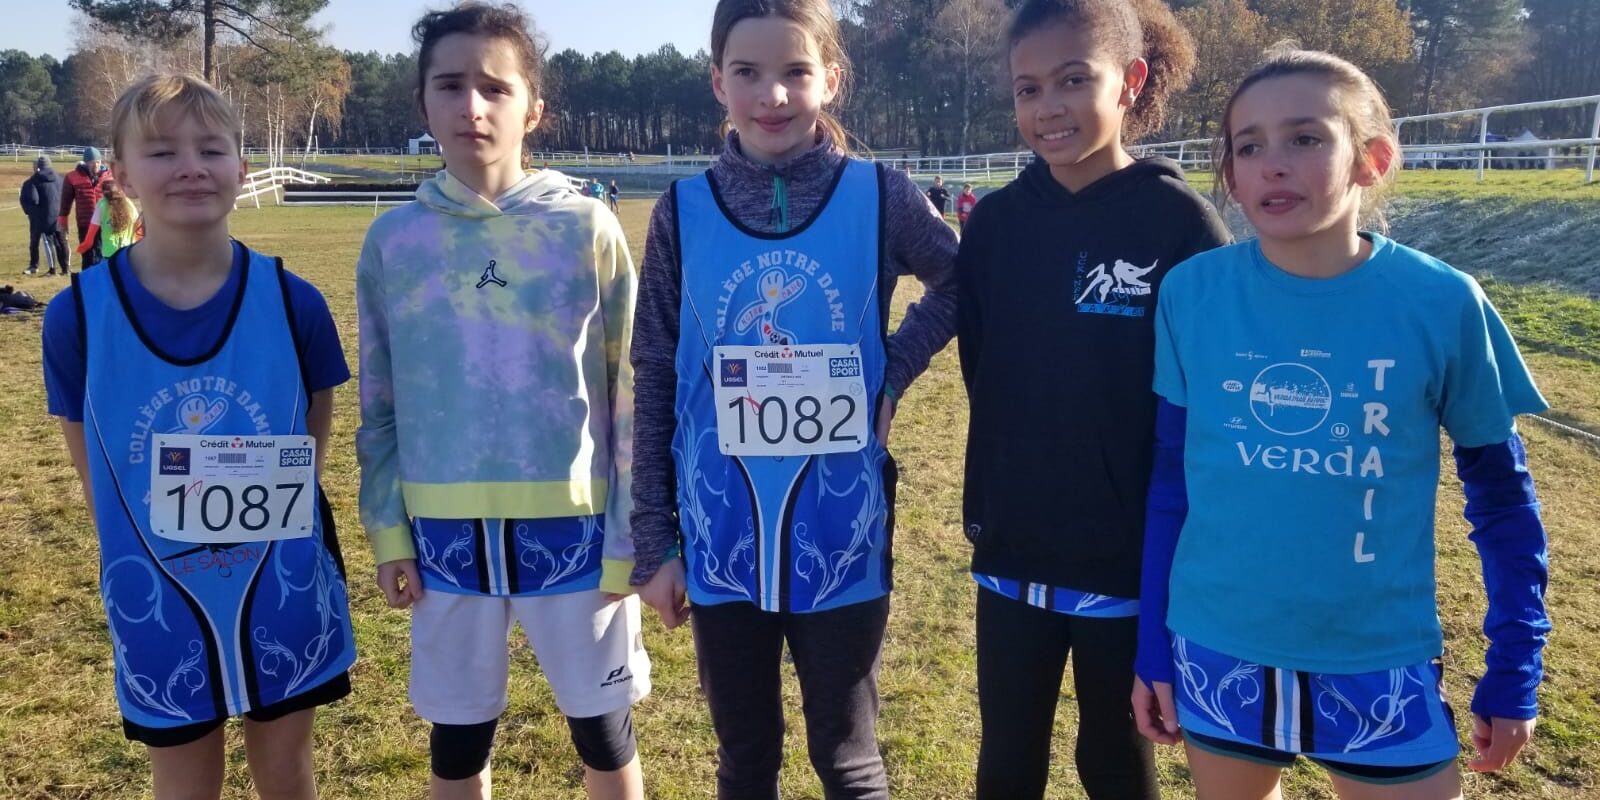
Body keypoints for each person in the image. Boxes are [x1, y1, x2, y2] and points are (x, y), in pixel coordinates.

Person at [1132, 47, 1551, 800]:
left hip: (1376, 661)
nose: (1271, 164)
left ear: (1372, 159)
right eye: (1248, 146)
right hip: (1216, 649)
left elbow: (1503, 503)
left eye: (1305, 138)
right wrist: (1154, 648)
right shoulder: (1191, 294)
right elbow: (1171, 487)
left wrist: (1516, 665)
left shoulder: (1442, 301)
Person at [629, 0, 958, 797]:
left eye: (795, 72)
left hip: (841, 530)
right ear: (718, 81)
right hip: (720, 537)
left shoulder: (879, 194)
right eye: (748, 72)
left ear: (831, 80)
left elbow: (962, 280)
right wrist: (654, 538)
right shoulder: (681, 211)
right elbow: (655, 369)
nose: (772, 95)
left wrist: (894, 369)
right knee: (746, 760)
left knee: (847, 759)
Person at [355, 4, 648, 798]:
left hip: (578, 534)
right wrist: (388, 532)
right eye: (450, 86)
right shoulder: (394, 242)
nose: (472, 107)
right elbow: (379, 406)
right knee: (457, 739)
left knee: (603, 731)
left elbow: (630, 394)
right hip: (442, 538)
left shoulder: (587, 227)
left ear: (534, 109)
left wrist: (631, 534)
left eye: (495, 87)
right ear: (423, 104)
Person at [42, 72, 356, 800]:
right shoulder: (77, 318)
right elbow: (92, 468)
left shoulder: (296, 303)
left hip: (280, 583)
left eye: (211, 149)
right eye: (162, 152)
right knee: (183, 782)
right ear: (121, 176)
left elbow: (311, 438)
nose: (191, 166)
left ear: (241, 170)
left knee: (287, 770)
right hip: (156, 592)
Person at [955, 1, 1229, 797]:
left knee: (1112, 759)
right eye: (1028, 88)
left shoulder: (1180, 224)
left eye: (1073, 80)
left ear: (1130, 81)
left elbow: (1205, 404)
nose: (1049, 107)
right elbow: (984, 368)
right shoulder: (995, 224)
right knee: (1007, 758)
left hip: (1127, 557)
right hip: (1012, 547)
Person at [59, 145, 111, 270]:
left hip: (106, 223)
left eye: (98, 162)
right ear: (86, 163)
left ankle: (103, 278)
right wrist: (63, 221)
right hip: (85, 223)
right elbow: (65, 201)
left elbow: (118, 199)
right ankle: (88, 279)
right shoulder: (73, 177)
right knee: (88, 256)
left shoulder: (109, 176)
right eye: (92, 162)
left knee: (104, 254)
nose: (96, 165)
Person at [20, 155, 69, 275]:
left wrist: (30, 211)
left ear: (38, 167)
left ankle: (51, 270)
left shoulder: (33, 181)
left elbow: (34, 199)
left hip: (43, 217)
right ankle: (65, 269)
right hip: (59, 215)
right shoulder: (60, 178)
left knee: (47, 242)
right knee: (61, 242)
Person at [75, 178, 144, 260]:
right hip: (128, 252)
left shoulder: (102, 205)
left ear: (103, 192)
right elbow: (139, 232)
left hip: (110, 253)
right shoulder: (129, 204)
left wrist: (83, 247)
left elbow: (90, 236)